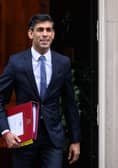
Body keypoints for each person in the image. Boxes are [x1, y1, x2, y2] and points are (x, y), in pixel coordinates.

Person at [0, 14, 80, 168]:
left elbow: (70, 104)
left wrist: (75, 140)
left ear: (53, 34)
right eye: (40, 30)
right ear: (31, 33)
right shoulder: (16, 62)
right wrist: (6, 132)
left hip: (53, 138)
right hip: (22, 138)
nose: (45, 34)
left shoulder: (63, 63)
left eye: (49, 30)